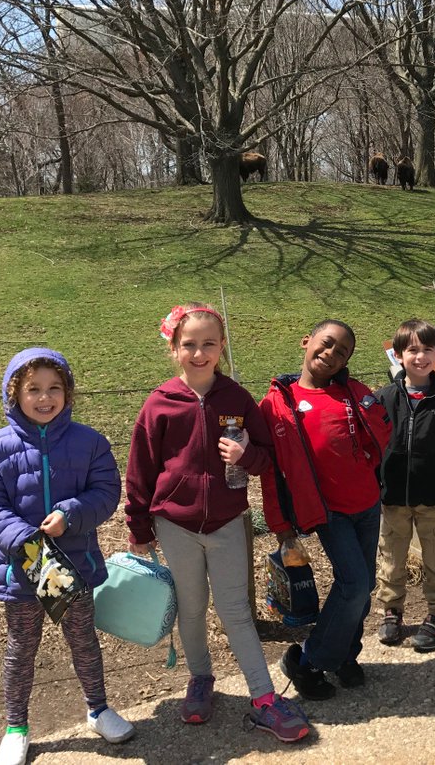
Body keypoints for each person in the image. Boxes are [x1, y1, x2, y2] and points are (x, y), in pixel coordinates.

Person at [125, 304, 309, 742]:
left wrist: (245, 457)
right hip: (176, 526)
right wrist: (139, 528)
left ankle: (264, 699)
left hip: (228, 523)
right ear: (174, 349)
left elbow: (268, 459)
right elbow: (140, 471)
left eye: (209, 343)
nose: (199, 352)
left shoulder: (237, 399)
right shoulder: (159, 404)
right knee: (190, 609)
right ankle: (200, 680)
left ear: (222, 347)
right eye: (189, 344)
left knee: (236, 612)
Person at [0, 348, 135, 765]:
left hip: (74, 567)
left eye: (54, 388)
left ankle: (98, 709)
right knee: (21, 648)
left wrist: (71, 515)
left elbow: (105, 493)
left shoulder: (91, 443)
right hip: (22, 570)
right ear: (14, 394)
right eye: (33, 390)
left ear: (68, 392)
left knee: (84, 640)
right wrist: (27, 542)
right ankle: (16, 727)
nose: (45, 398)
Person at [260, 319, 392, 700]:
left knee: (363, 586)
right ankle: (306, 662)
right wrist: (281, 526)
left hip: (367, 504)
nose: (331, 354)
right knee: (354, 584)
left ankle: (344, 655)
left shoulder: (353, 392)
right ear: (306, 341)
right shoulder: (278, 403)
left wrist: (369, 460)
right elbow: (272, 471)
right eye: (327, 344)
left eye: (342, 352)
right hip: (328, 511)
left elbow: (379, 431)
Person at [375, 319, 435, 652]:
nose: (419, 357)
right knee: (391, 558)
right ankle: (391, 610)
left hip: (434, 499)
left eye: (426, 350)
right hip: (393, 499)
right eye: (411, 350)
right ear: (398, 355)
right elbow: (372, 448)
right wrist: (375, 487)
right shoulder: (384, 399)